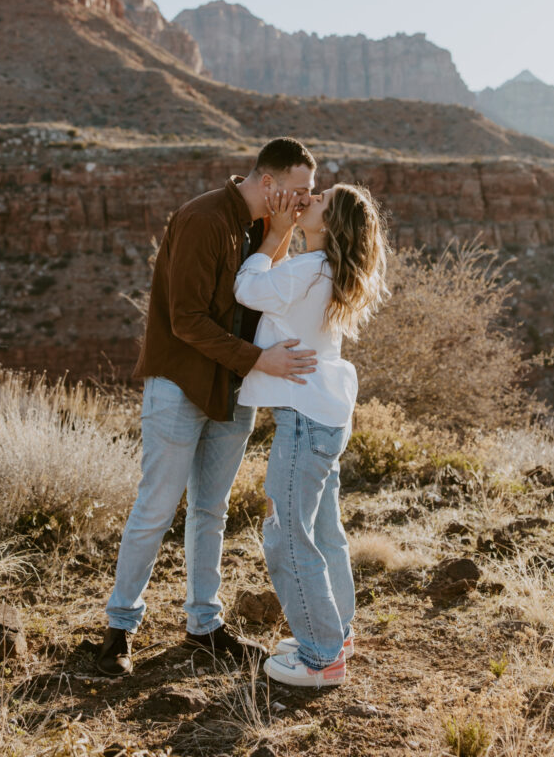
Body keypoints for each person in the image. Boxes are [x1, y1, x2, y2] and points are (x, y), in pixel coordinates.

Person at [96, 138, 320, 677]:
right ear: (269, 183)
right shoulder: (202, 218)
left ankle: (204, 627)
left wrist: (283, 235)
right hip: (181, 383)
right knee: (156, 507)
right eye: (299, 190)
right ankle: (118, 631)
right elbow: (186, 321)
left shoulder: (260, 228)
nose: (304, 199)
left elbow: (263, 294)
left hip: (233, 388)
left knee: (210, 511)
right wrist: (259, 361)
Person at [233, 182, 389, 688]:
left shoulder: (307, 268)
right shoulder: (331, 272)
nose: (308, 199)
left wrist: (274, 234)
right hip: (326, 416)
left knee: (286, 535)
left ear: (331, 223)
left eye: (318, 201)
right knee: (323, 531)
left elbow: (247, 288)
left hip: (303, 420)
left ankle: (321, 656)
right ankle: (335, 632)